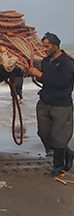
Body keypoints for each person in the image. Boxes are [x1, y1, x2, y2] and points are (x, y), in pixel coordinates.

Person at [28, 33, 74, 177]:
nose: (45, 49)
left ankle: (58, 168)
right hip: (45, 102)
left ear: (56, 45)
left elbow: (63, 82)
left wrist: (40, 75)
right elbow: (47, 81)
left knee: (59, 138)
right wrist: (36, 75)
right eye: (43, 46)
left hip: (61, 104)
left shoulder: (67, 62)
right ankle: (69, 153)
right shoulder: (46, 61)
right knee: (43, 133)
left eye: (47, 46)